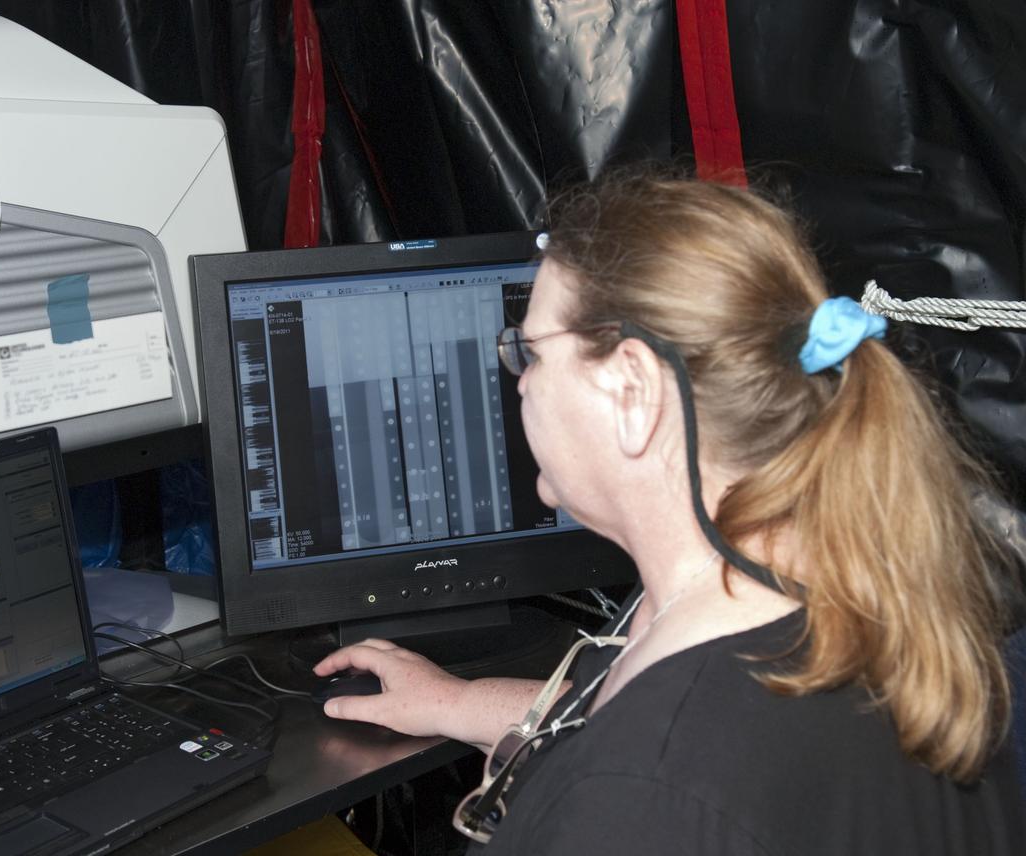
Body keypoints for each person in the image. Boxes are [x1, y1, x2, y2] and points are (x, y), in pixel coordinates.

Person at [313, 171, 1026, 853]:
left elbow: (668, 766)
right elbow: (694, 729)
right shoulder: (851, 601)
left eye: (530, 353)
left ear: (633, 392)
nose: (522, 386)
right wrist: (459, 704)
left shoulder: (643, 805)